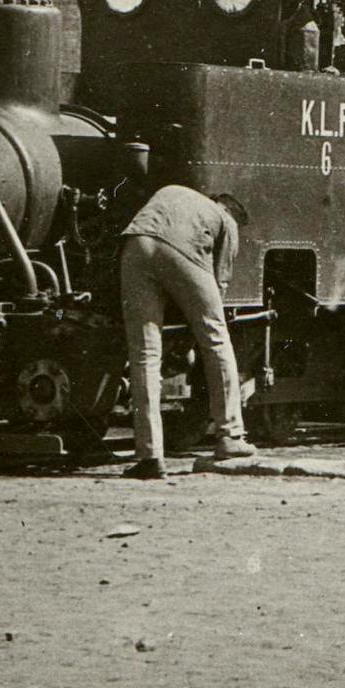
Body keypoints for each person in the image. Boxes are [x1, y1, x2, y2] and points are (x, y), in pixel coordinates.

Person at [117, 169, 254, 478]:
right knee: (216, 339)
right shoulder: (227, 220)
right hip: (181, 250)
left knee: (144, 356)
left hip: (135, 245)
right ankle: (230, 435)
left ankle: (149, 456)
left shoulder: (176, 188)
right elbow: (219, 285)